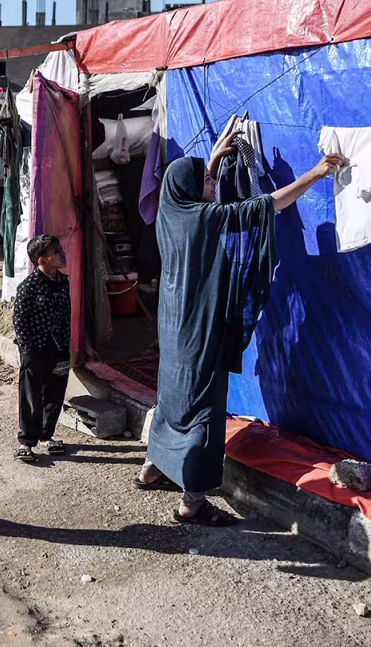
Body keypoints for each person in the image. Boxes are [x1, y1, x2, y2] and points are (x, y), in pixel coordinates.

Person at [135, 127, 345, 526]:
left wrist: (211, 162)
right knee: (204, 409)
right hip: (200, 329)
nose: (214, 185)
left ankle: (152, 469)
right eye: (209, 181)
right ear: (195, 190)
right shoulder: (204, 217)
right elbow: (265, 206)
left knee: (172, 399)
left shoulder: (171, 211)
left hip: (173, 326)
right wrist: (315, 174)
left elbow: (196, 186)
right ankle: (192, 502)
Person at [12, 234, 71, 462]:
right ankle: (27, 441)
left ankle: (47, 435)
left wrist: (66, 345)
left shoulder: (63, 283)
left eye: (60, 249)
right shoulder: (29, 287)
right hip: (35, 351)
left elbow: (66, 316)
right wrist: (28, 349)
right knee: (30, 394)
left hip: (59, 350)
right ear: (41, 260)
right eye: (56, 252)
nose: (62, 253)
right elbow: (19, 320)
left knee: (55, 393)